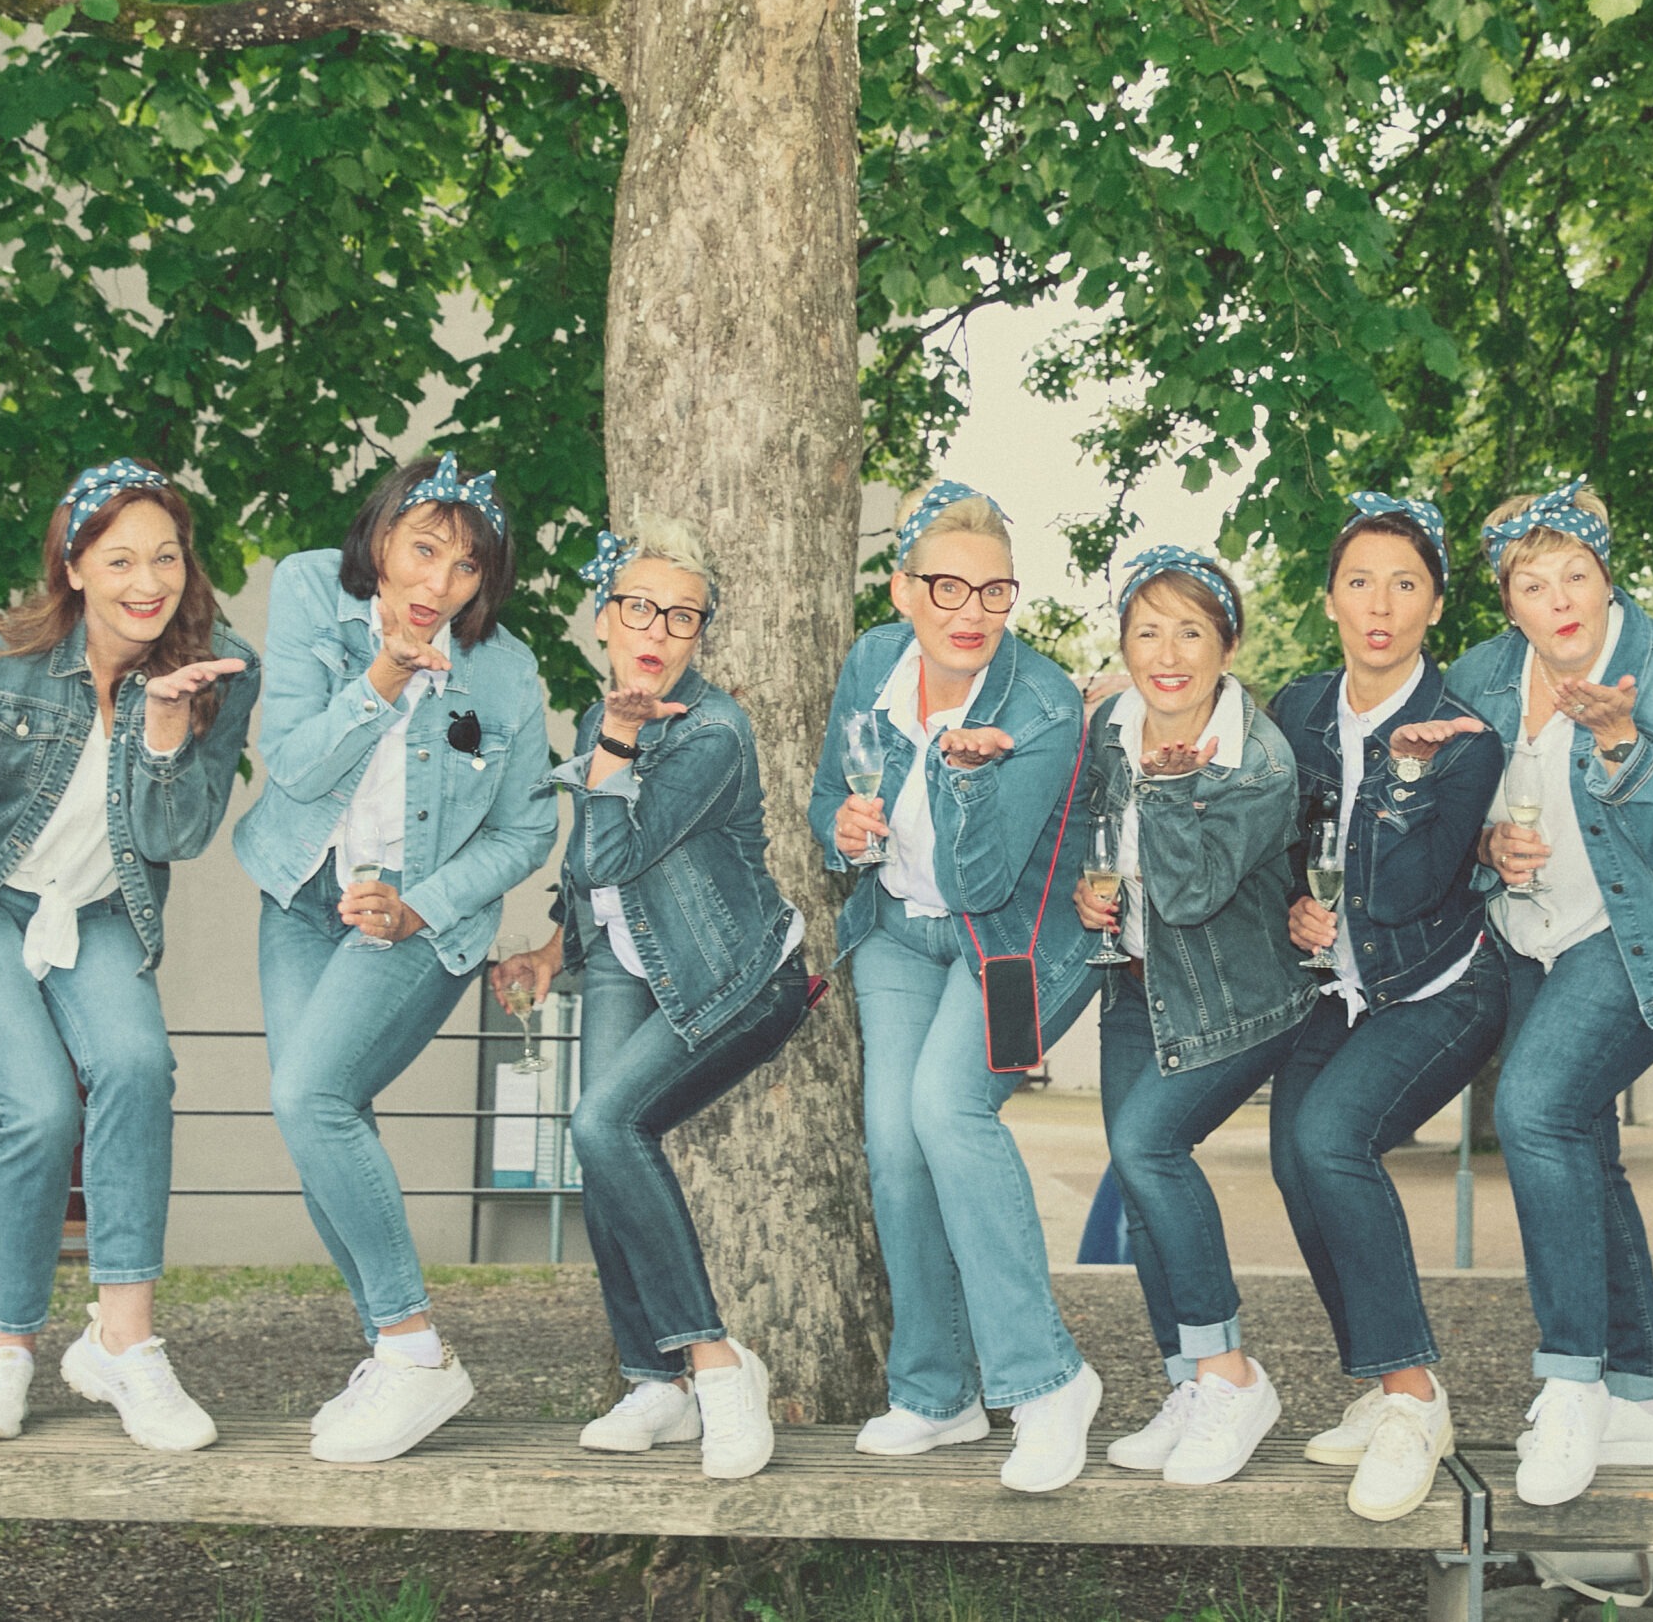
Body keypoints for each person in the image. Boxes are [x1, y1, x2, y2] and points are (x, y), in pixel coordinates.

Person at [0, 459, 259, 1452]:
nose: (147, 581)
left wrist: (163, 733)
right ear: (73, 567)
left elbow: (181, 834)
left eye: (165, 556)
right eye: (120, 560)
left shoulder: (219, 666)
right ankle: (7, 1351)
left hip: (98, 905)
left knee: (138, 1068)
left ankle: (124, 1345)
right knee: (36, 1107)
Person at [231, 453, 555, 1464]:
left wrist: (419, 907)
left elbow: (527, 830)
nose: (437, 585)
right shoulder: (309, 591)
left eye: (466, 567)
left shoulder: (506, 671)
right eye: (422, 551)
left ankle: (415, 1350)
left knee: (310, 1097)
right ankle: (392, 1351)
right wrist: (384, 677)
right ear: (379, 537)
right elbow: (292, 764)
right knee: (321, 1118)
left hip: (421, 922)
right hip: (302, 894)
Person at [1444, 480, 1653, 1508]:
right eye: (1533, 584)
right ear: (1508, 600)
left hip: (1644, 936)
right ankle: (1643, 1399)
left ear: (1606, 576)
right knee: (1582, 1146)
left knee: (1534, 1111)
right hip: (1531, 940)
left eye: (1575, 575)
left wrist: (1621, 743)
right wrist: (1486, 845)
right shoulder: (1479, 677)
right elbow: (1451, 820)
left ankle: (1572, 1382)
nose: (1560, 600)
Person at [490, 515, 810, 1482]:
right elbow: (587, 881)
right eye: (639, 607)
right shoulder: (608, 719)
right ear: (604, 618)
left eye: (682, 616)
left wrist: (620, 741)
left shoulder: (713, 732)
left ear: (700, 634)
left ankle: (716, 1366)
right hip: (629, 964)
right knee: (603, 1153)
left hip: (739, 978)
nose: (658, 630)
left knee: (604, 1122)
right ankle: (654, 1381)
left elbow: (610, 851)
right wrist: (553, 947)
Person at [808, 480, 1103, 1494]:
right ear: (904, 591)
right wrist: (840, 829)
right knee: (894, 1143)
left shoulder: (1043, 705)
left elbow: (982, 881)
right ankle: (938, 1393)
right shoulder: (872, 664)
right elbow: (830, 792)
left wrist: (965, 775)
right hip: (898, 930)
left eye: (994, 591)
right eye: (947, 587)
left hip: (1018, 943)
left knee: (947, 1108)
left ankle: (1048, 1379)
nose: (971, 612)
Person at [1266, 492, 1506, 1523]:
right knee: (1294, 1158)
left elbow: (1408, 891)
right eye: (1359, 581)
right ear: (1330, 599)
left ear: (1434, 606)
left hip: (1441, 986)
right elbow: (1275, 840)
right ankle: (1379, 1380)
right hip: (1340, 987)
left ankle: (1415, 1397)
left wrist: (1405, 773)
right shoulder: (1295, 711)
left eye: (1405, 584)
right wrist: (1293, 904)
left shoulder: (1465, 737)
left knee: (1332, 1138)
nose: (1380, 603)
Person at [1070, 546, 1314, 1487]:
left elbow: (1190, 893)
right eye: (1146, 632)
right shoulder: (1110, 729)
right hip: (1136, 984)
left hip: (1238, 998)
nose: (1166, 655)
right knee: (1139, 1189)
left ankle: (1229, 1374)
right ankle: (1188, 1384)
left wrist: (1170, 791)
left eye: (1190, 632)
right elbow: (1098, 839)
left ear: (1227, 644)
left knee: (1150, 1148)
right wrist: (1091, 895)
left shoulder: (1259, 761)